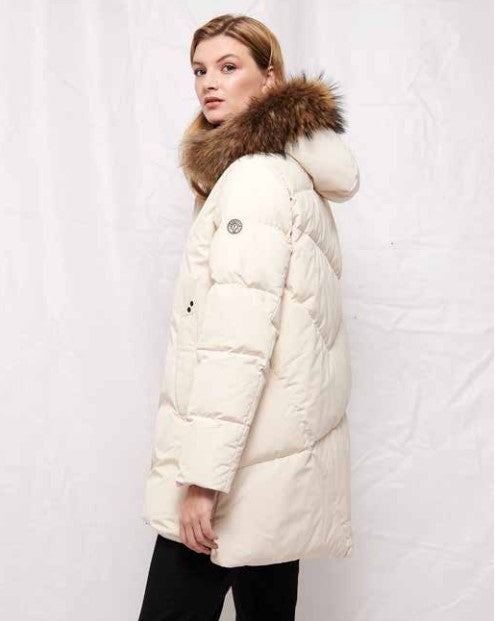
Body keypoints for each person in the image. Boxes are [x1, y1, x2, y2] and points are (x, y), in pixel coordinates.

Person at [138, 12, 360, 621]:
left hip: (236, 473)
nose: (209, 82)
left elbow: (237, 343)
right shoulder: (290, 175)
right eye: (199, 70)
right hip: (276, 468)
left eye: (228, 67)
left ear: (269, 79)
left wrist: (202, 481)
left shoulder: (254, 179)